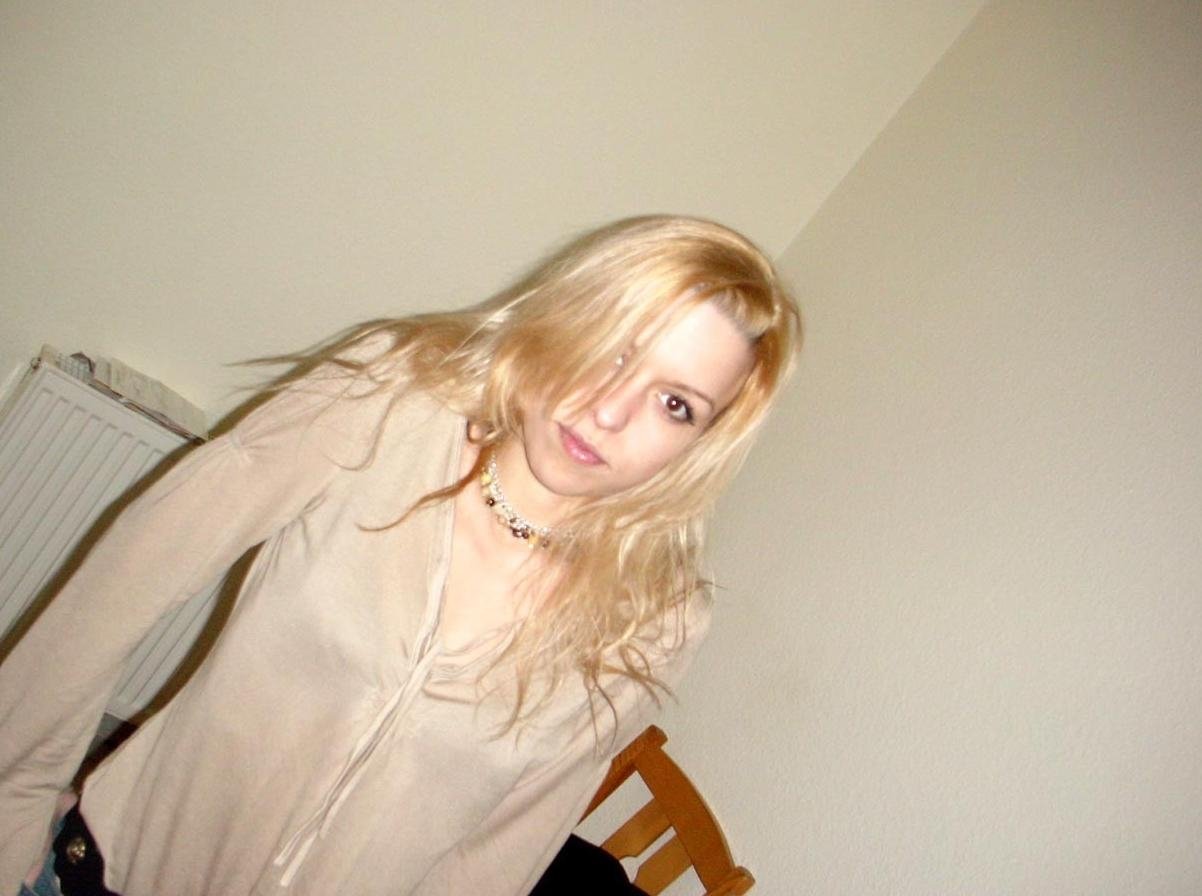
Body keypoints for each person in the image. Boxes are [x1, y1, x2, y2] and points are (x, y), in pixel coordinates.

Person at [0, 215, 800, 896]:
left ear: (699, 444)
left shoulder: (655, 619)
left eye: (675, 403)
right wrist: (14, 801)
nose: (612, 412)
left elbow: (500, 856)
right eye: (615, 347)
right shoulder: (389, 397)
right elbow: (121, 590)